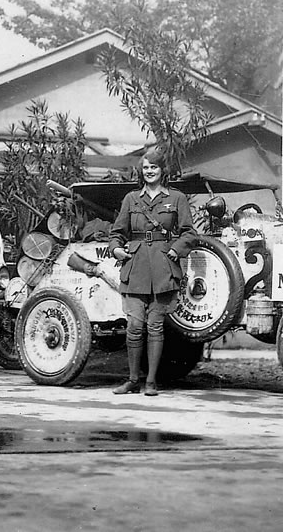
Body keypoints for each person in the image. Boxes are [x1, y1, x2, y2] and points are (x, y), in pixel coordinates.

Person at [107, 148, 196, 396]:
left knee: (155, 326)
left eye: (153, 167)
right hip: (135, 267)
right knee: (135, 325)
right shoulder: (131, 199)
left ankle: (151, 382)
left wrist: (176, 250)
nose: (149, 172)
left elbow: (189, 233)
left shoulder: (176, 198)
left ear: (163, 170)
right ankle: (132, 380)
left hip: (162, 268)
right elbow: (117, 233)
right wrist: (116, 250)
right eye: (145, 168)